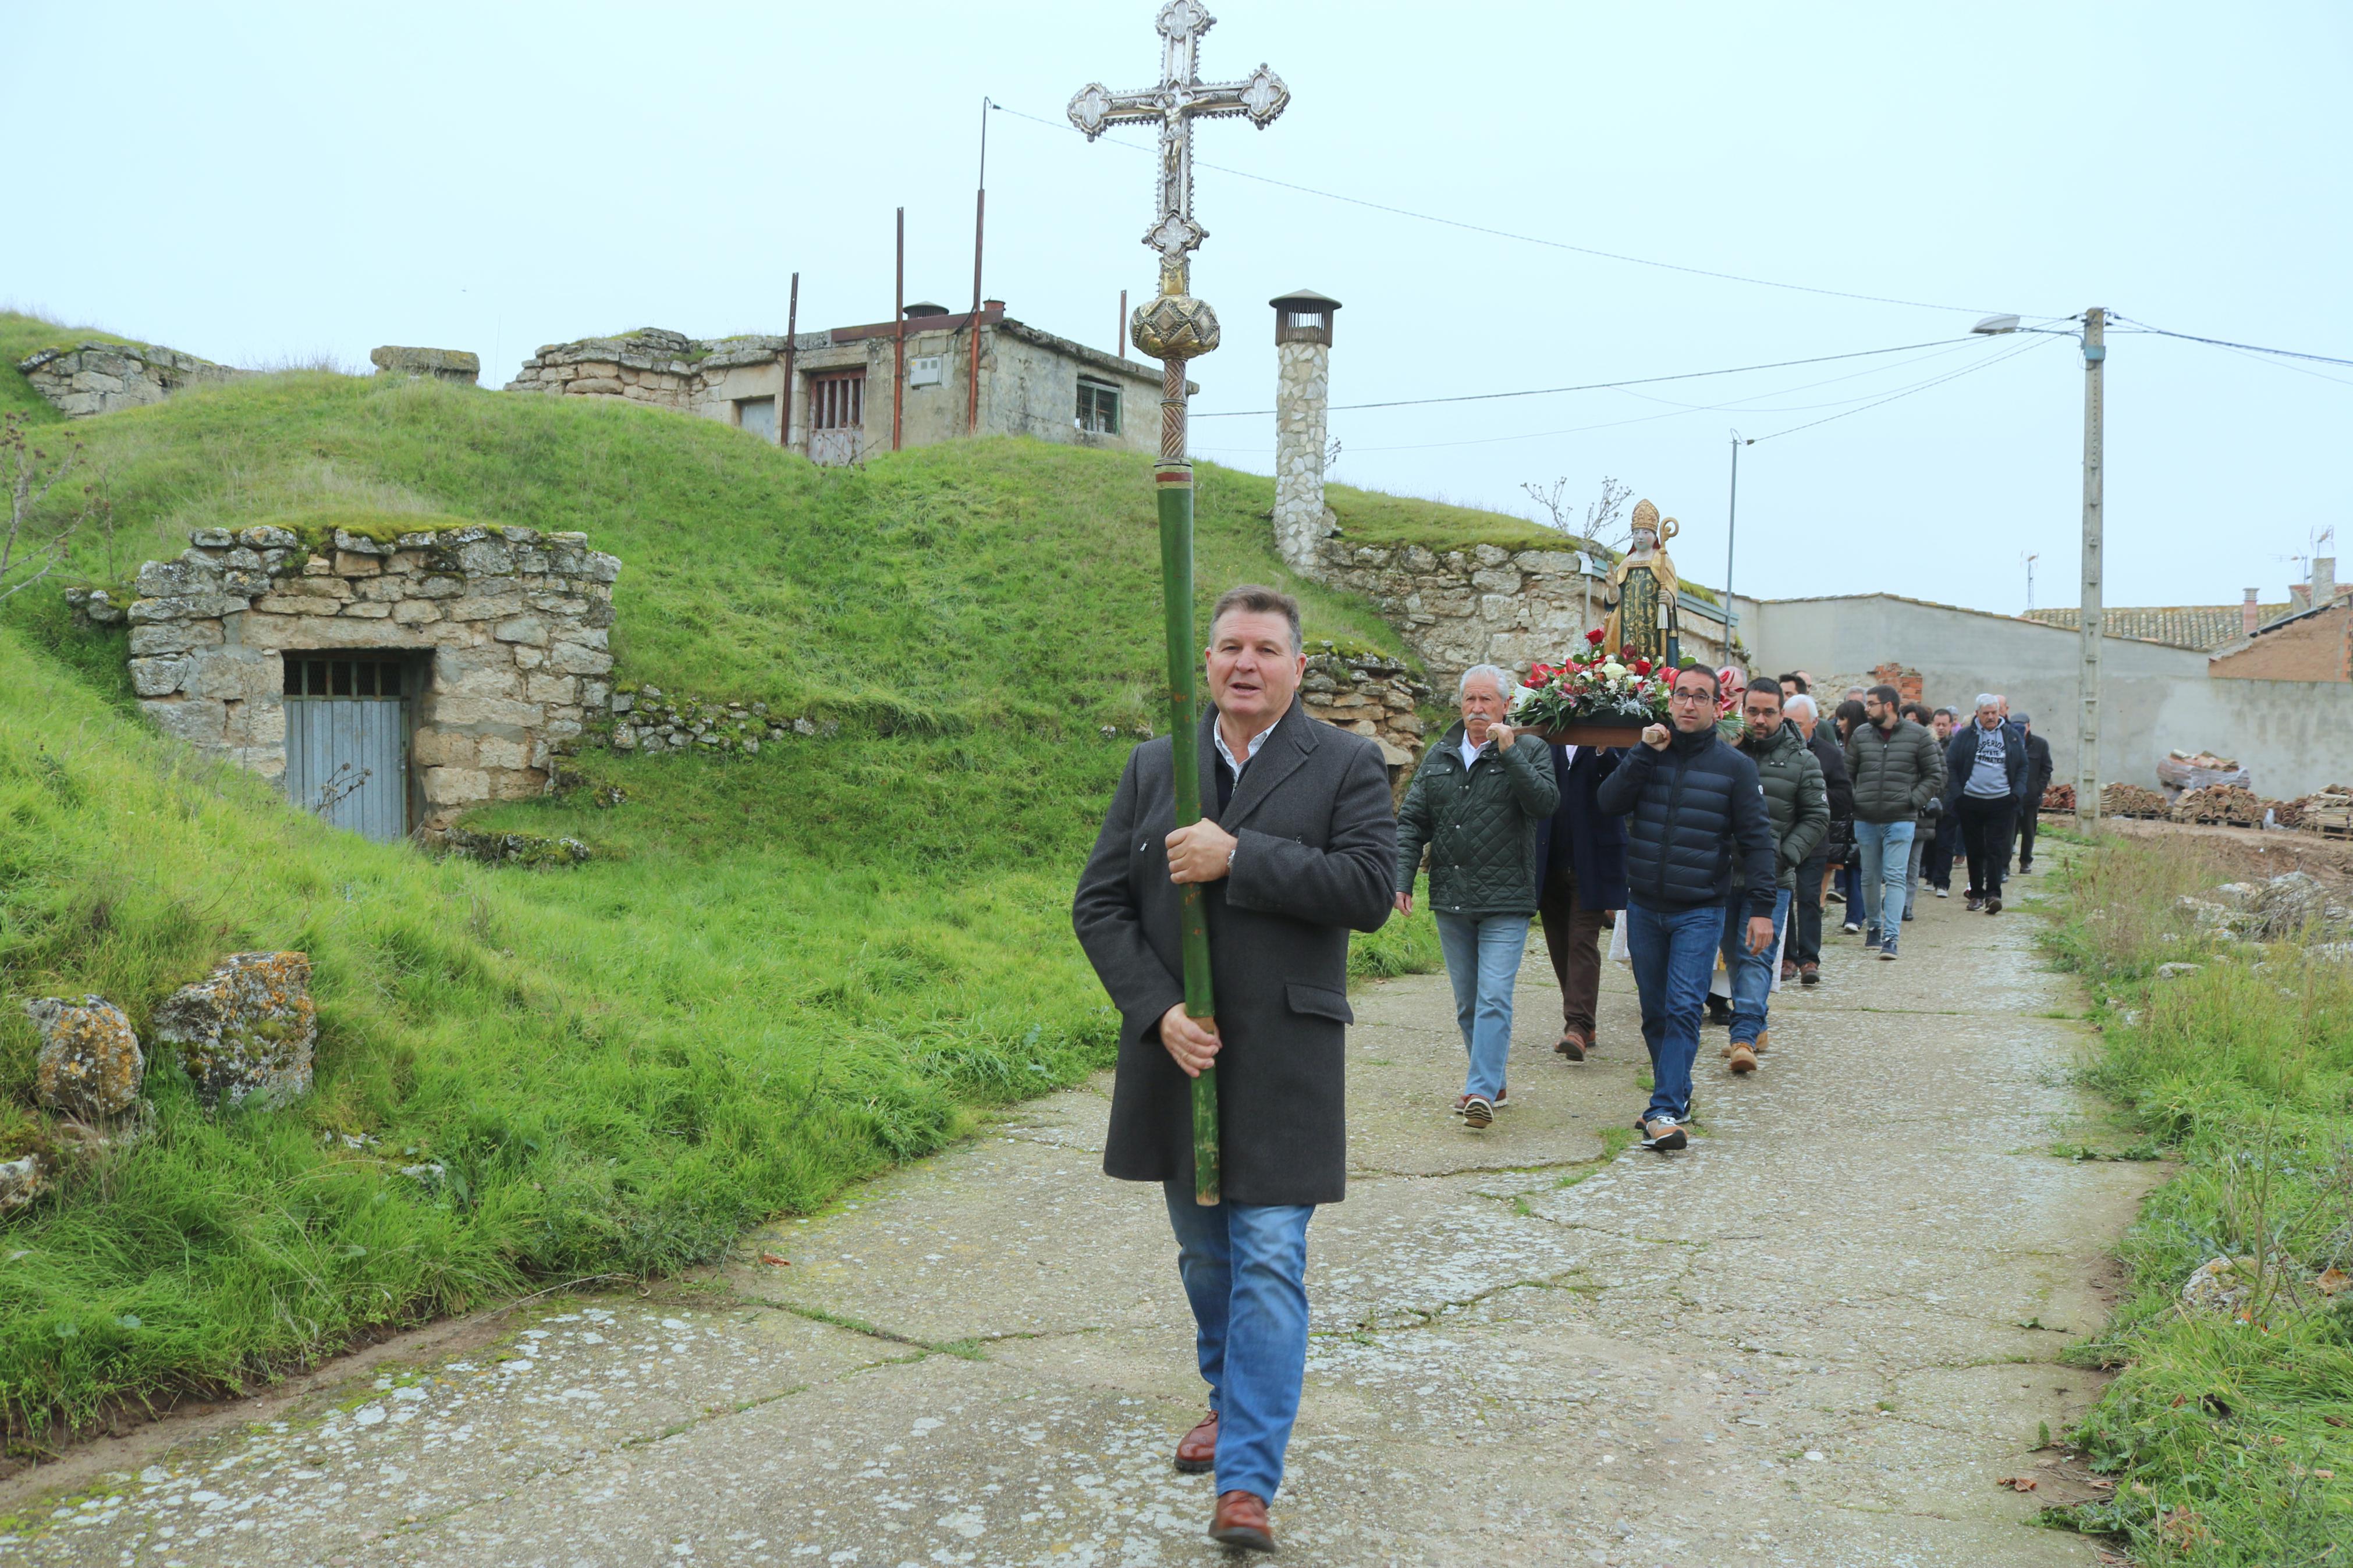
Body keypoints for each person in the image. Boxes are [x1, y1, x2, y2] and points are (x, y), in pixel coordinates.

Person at [1071, 585, 1396, 1552]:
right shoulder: (1154, 767)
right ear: (1204, 665)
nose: (1242, 664)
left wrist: (1240, 856)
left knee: (1266, 1260)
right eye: (1226, 648)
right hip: (1180, 1062)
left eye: (1263, 649)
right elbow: (1099, 907)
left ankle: (1248, 1482)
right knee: (1205, 1257)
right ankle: (1226, 1394)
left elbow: (1371, 890)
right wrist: (1154, 1010)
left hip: (1287, 1062)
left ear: (1298, 668)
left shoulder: (1344, 765)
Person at [1596, 665, 1777, 1150]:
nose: (1689, 704)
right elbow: (1608, 802)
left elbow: (1758, 842)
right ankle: (1678, 1093)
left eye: (1700, 697)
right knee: (1654, 1013)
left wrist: (1761, 907)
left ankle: (1663, 1109)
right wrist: (1640, 752)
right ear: (1670, 702)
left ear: (1718, 707)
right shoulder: (1648, 755)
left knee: (1682, 1008)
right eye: (1681, 695)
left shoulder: (1735, 768)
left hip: (1700, 908)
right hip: (1645, 906)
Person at [1393, 665, 1560, 1128]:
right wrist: (1401, 878)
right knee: (1468, 1002)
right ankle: (1493, 1079)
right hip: (1452, 897)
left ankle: (1480, 1090)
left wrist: (1509, 755)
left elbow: (1545, 804)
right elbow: (1411, 823)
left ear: (1506, 706)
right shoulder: (1440, 755)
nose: (1477, 709)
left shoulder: (1529, 749)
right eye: (1470, 699)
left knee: (1492, 997)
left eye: (1487, 700)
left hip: (1506, 898)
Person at [1722, 682, 1827, 1072]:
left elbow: (1816, 817)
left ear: (1782, 714)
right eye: (1752, 711)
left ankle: (1743, 1037)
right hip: (1723, 875)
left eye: (1768, 712)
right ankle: (1757, 1027)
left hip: (1771, 879)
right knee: (1734, 957)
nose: (1759, 720)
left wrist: (1782, 856)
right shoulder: (1723, 751)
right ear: (1741, 709)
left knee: (1756, 956)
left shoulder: (1802, 760)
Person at [1534, 734, 1626, 1064]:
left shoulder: (1615, 736)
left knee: (1582, 942)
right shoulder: (1548, 738)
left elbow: (1622, 787)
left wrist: (1604, 749)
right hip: (1548, 860)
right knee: (1559, 944)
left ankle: (1577, 1025)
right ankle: (1584, 1023)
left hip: (1593, 861)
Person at [1844, 684, 1943, 960]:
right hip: (1866, 817)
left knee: (1896, 876)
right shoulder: (1862, 735)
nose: (1866, 709)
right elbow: (1847, 774)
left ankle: (1891, 937)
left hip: (1901, 818)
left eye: (1871, 704)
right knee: (1870, 876)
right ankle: (1874, 927)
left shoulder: (1919, 736)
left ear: (1888, 706)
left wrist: (1912, 800)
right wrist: (1857, 798)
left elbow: (1934, 775)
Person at [1784, 693, 1851, 986]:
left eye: (1799, 724)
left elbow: (1844, 797)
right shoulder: (1777, 750)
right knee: (1782, 898)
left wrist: (1813, 794)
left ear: (1814, 723)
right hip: (1783, 836)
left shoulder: (1829, 753)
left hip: (1814, 837)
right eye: (1789, 723)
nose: (1794, 730)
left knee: (1810, 899)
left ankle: (1809, 959)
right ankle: (1786, 957)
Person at [1946, 694, 2028, 914]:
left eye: (1994, 712)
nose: (1991, 717)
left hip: (2001, 801)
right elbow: (1950, 765)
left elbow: (2022, 767)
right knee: (1974, 849)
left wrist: (2016, 794)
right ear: (1977, 715)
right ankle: (1976, 894)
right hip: (1970, 801)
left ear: (2000, 713)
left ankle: (1993, 894)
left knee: (1996, 849)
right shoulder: (1965, 736)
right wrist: (1958, 795)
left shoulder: (2011, 736)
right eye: (1986, 714)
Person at [1898, 701, 1947, 924]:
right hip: (1896, 811)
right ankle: (1895, 902)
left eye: (1915, 721)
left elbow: (1941, 777)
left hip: (1921, 814)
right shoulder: (1895, 743)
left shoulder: (1931, 744)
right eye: (1907, 720)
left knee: (1913, 863)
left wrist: (1920, 795)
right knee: (1895, 864)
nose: (1910, 725)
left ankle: (1907, 905)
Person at [1830, 698, 1871, 933]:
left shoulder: (1861, 746)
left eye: (1842, 718)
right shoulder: (1842, 745)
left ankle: (1856, 914)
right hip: (1846, 814)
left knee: (1857, 864)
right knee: (1852, 864)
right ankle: (1858, 912)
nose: (1838, 723)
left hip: (1861, 812)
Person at [1925, 708, 1962, 897]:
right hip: (1929, 803)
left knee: (1945, 843)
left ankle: (1942, 882)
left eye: (1944, 725)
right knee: (1929, 842)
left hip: (1949, 803)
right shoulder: (1926, 744)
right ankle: (1930, 877)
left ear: (1951, 725)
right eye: (1937, 724)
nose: (1940, 728)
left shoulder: (1956, 746)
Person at [2014, 712, 2055, 874]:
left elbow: (2047, 768)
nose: (2020, 731)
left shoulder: (2040, 744)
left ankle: (2026, 861)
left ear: (2029, 726)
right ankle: (2003, 865)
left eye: (2023, 727)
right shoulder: (2009, 742)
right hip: (2012, 797)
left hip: (2031, 797)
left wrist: (2038, 788)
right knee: (2008, 833)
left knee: (2029, 832)